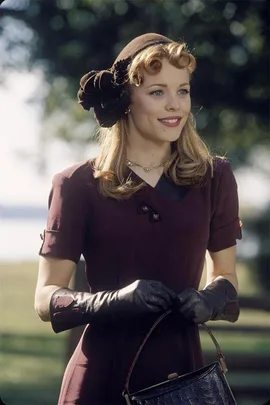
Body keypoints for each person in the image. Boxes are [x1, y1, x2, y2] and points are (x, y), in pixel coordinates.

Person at [34, 33, 242, 405]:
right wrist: (111, 302)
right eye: (158, 92)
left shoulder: (216, 178)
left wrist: (209, 301)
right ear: (127, 98)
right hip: (99, 381)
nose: (175, 105)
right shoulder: (76, 185)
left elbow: (226, 279)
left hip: (185, 377)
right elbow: (45, 299)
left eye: (183, 91)